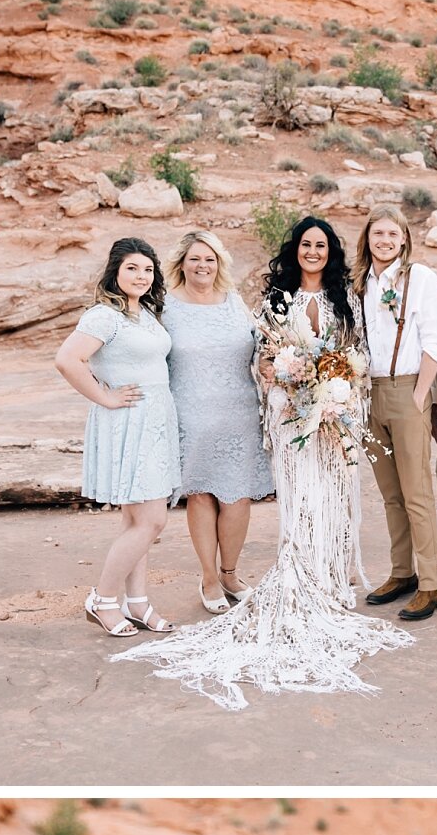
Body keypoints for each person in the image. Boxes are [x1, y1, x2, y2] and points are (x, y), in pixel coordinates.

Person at [131, 211, 404, 704]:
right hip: (284, 415)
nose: (313, 252)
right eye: (305, 245)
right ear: (295, 249)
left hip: (332, 412)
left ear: (331, 251)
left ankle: (328, 578)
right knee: (288, 497)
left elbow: (357, 351)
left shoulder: (343, 296)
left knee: (330, 497)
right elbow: (265, 354)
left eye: (321, 246)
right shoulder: (273, 298)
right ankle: (244, 575)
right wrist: (283, 378)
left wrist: (339, 395)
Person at [56, 234, 178, 640]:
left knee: (135, 518)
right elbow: (67, 359)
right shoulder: (103, 316)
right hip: (130, 420)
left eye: (148, 269)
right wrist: (105, 398)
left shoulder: (144, 313)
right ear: (115, 271)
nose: (142, 276)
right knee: (152, 520)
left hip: (156, 419)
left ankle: (138, 602)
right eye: (132, 268)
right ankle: (103, 599)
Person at [163, 225, 273, 610]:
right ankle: (208, 579)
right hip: (191, 414)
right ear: (182, 263)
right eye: (194, 258)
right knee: (202, 494)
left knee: (238, 497)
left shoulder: (232, 301)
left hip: (239, 412)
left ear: (219, 263)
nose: (202, 265)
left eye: (209, 259)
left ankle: (230, 572)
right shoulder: (166, 306)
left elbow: (260, 343)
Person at [356, 207, 437, 623]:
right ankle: (401, 573)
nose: (385, 240)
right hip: (367, 397)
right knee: (390, 493)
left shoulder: (422, 278)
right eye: (378, 233)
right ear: (368, 238)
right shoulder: (360, 282)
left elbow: (434, 339)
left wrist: (420, 396)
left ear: (405, 238)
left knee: (417, 493)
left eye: (393, 234)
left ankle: (432, 583)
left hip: (408, 391)